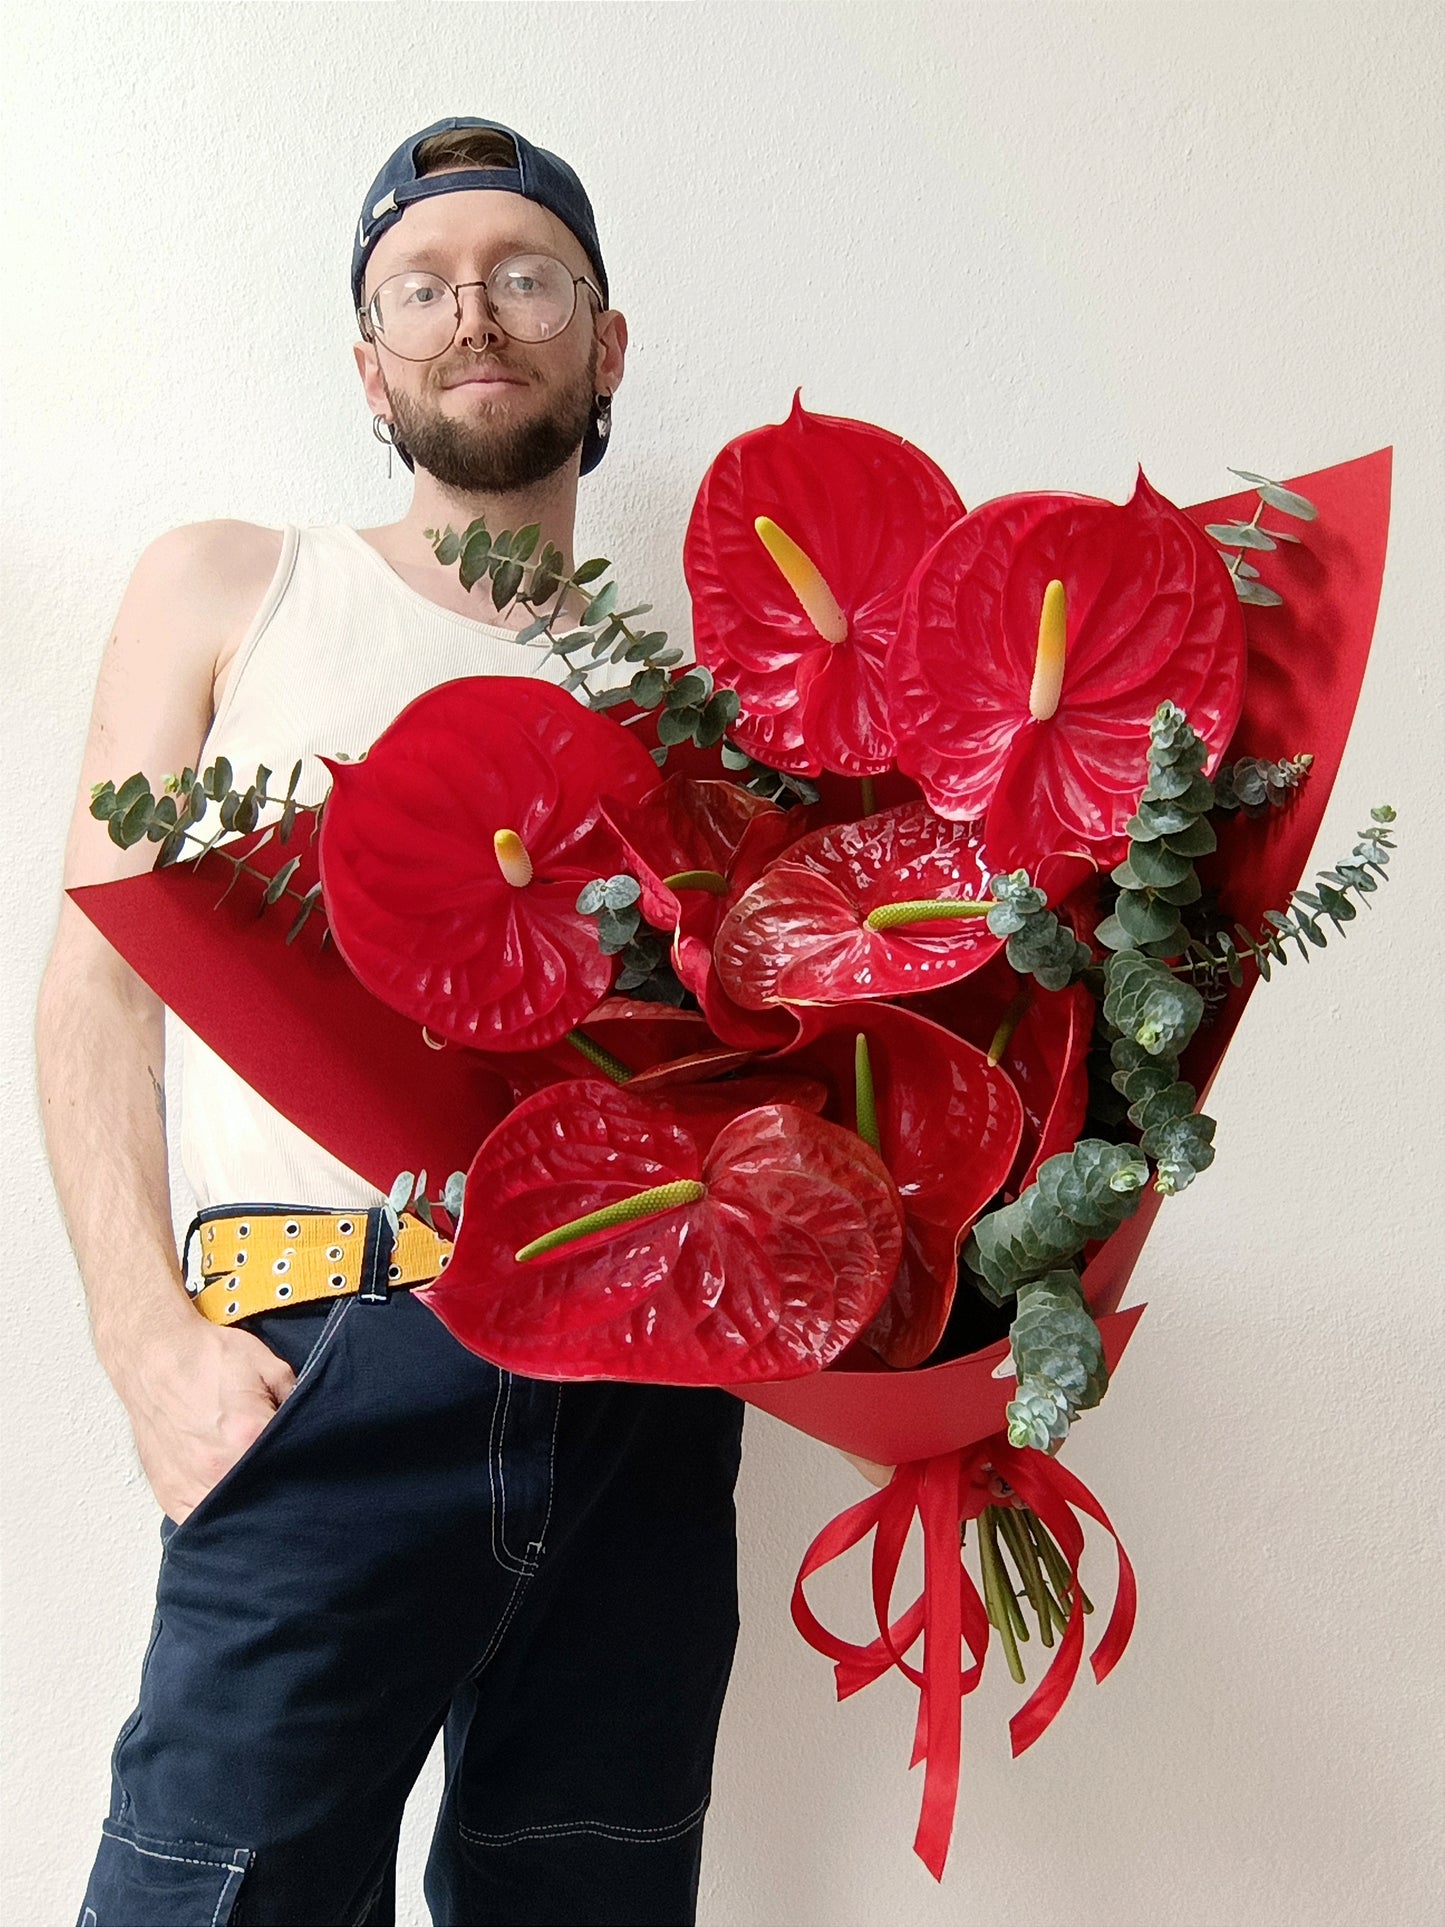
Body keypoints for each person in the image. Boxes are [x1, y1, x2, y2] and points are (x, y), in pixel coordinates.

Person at [37, 115, 771, 1927]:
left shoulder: (702, 702)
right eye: (422, 289)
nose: (476, 317)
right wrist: (148, 1348)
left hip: (637, 1398)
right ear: (373, 366)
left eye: (527, 277)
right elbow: (90, 988)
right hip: (316, 1353)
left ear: (604, 345)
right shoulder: (231, 585)